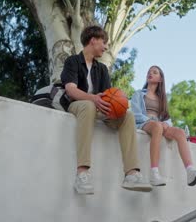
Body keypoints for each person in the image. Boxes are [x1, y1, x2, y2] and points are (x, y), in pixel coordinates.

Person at [61, 25, 152, 195]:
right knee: (88, 105)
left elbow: (108, 96)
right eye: (104, 42)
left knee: (127, 116)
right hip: (77, 105)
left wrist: (117, 105)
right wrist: (94, 98)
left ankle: (131, 174)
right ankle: (82, 173)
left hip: (96, 108)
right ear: (93, 40)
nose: (105, 47)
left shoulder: (101, 69)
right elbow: (71, 90)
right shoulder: (72, 61)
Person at [131, 65, 196, 187]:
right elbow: (136, 114)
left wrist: (166, 124)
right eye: (149, 72)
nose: (150, 73)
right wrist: (155, 122)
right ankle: (154, 173)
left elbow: (167, 118)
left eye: (155, 72)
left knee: (180, 132)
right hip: (144, 124)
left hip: (159, 125)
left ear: (160, 79)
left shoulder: (162, 99)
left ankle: (190, 171)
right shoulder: (138, 94)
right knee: (157, 127)